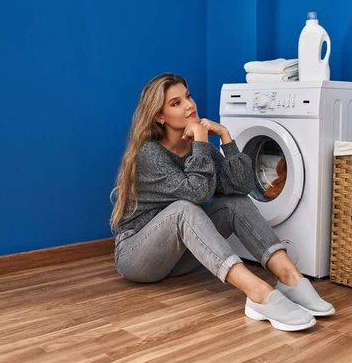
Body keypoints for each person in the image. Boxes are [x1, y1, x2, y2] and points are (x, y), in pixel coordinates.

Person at [110, 73, 335, 331]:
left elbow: (241, 186)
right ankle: (258, 293)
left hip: (178, 258)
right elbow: (197, 194)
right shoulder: (150, 153)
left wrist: (225, 137)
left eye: (188, 96)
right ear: (159, 117)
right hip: (137, 256)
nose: (189, 105)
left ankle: (290, 278)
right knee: (184, 209)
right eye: (176, 103)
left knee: (235, 203)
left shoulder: (198, 147)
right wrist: (203, 144)